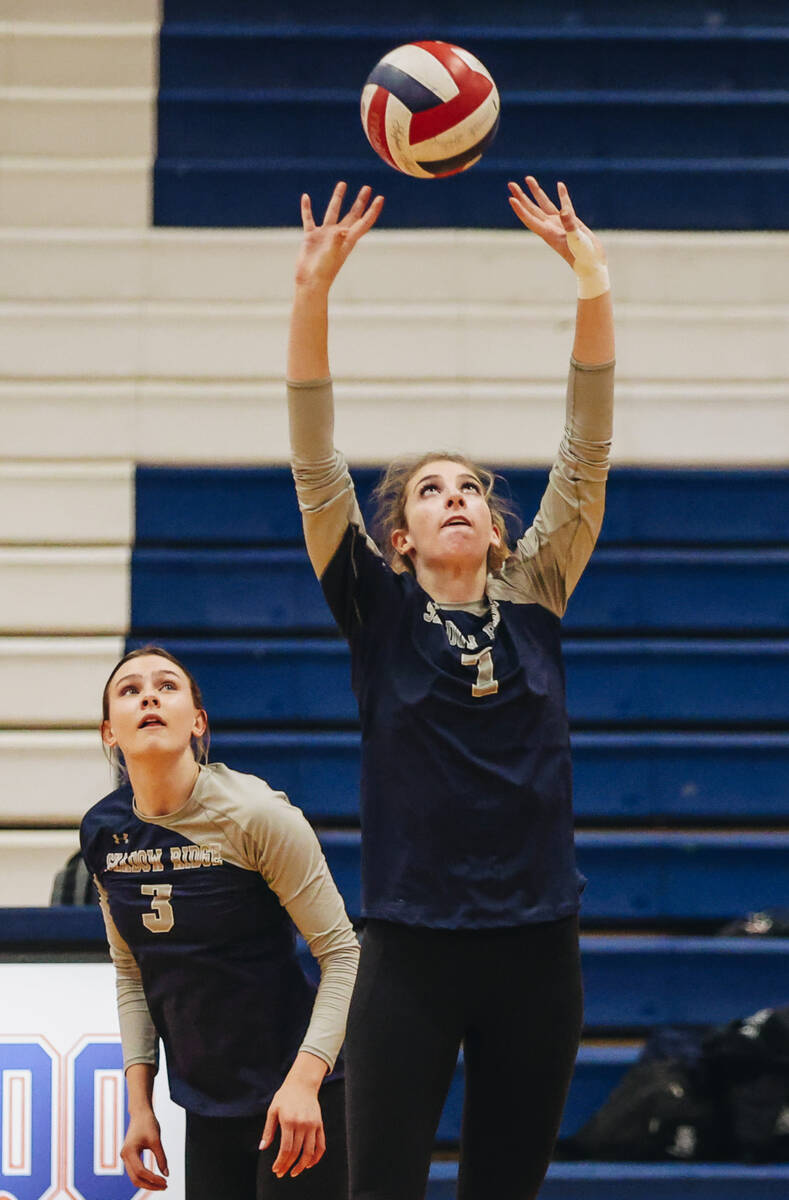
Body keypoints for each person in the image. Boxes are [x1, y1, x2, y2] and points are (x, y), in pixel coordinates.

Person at [286, 177, 614, 1200]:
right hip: (411, 953)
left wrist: (592, 286)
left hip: (536, 952)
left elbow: (586, 450)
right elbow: (313, 460)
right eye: (430, 490)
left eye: (470, 485)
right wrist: (313, 298)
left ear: (498, 525)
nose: (455, 497)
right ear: (401, 535)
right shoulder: (373, 609)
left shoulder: (539, 593)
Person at [80, 645, 358, 1199]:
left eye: (167, 686)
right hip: (206, 1102)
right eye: (130, 690)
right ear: (110, 731)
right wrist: (141, 1106)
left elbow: (345, 955)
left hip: (299, 1090)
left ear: (198, 722)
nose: (149, 696)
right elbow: (132, 972)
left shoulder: (256, 815)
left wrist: (306, 1083)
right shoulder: (103, 833)